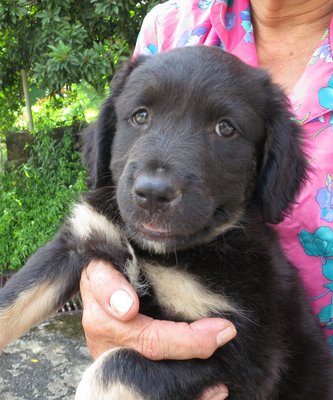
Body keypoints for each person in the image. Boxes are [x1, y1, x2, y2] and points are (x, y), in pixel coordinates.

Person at [80, 1, 333, 398]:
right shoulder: (170, 27)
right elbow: (114, 191)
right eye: (144, 117)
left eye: (224, 128)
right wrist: (104, 300)